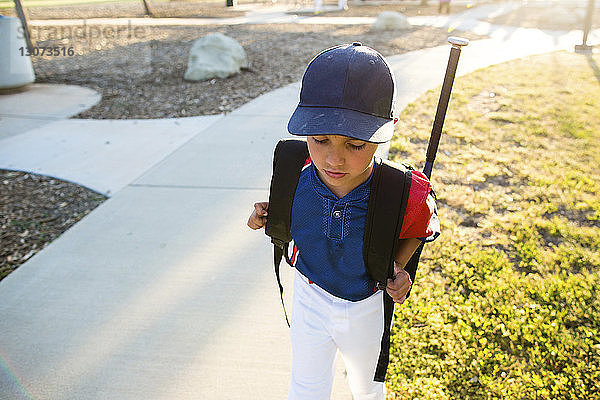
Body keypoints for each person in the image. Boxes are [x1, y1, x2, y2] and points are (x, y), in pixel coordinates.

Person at [247, 42, 440, 400]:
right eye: (320, 139)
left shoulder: (404, 189)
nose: (334, 159)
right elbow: (288, 210)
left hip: (364, 303)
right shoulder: (295, 168)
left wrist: (398, 264)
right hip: (308, 294)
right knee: (305, 386)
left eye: (355, 145)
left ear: (387, 130)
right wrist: (266, 216)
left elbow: (419, 228)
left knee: (365, 388)